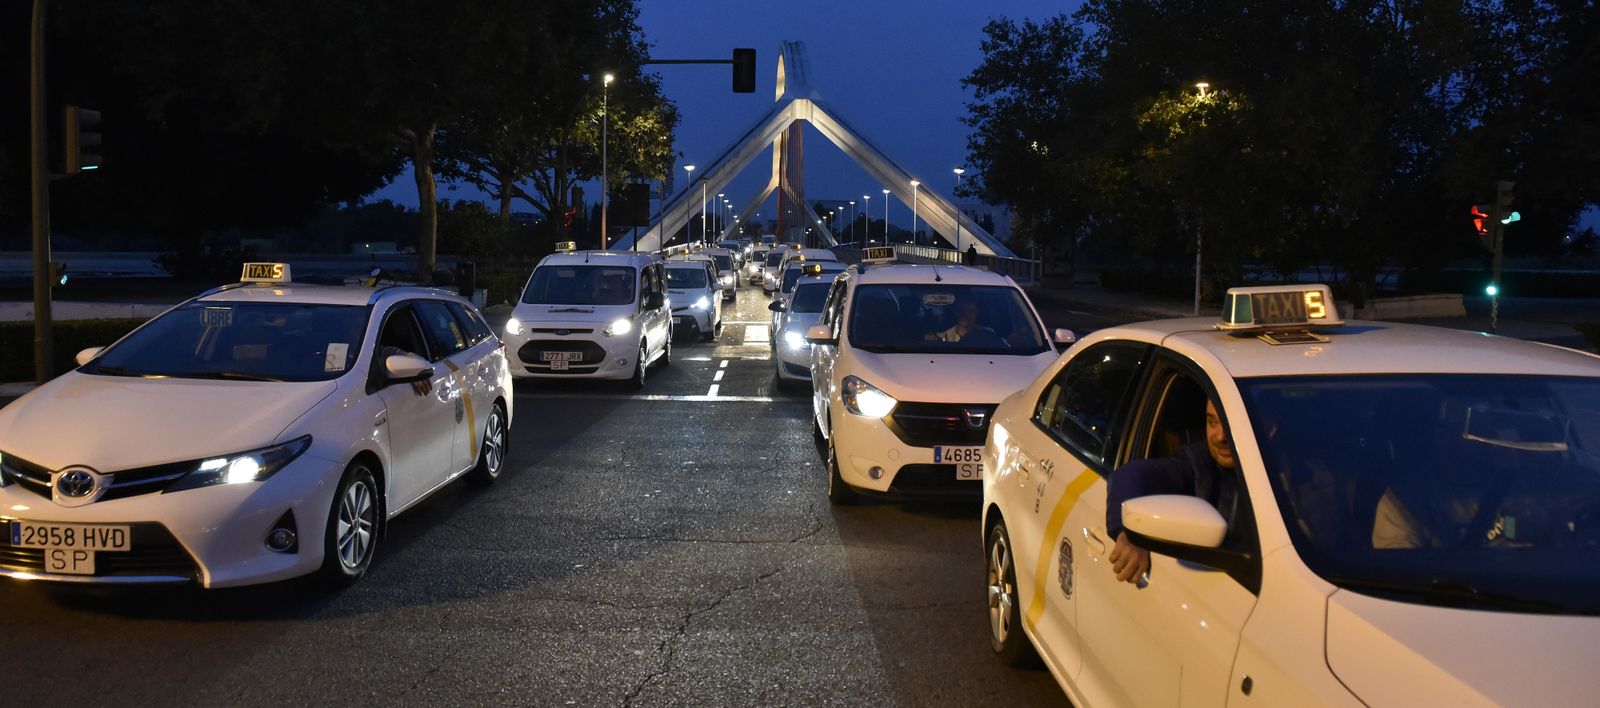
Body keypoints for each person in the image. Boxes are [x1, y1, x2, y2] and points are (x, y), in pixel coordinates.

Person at [1106, 398, 1243, 584]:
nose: (1220, 436)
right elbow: (1130, 476)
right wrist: (1131, 534)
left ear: (1270, 427)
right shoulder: (1198, 463)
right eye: (1212, 422)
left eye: (1230, 424)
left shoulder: (1289, 472)